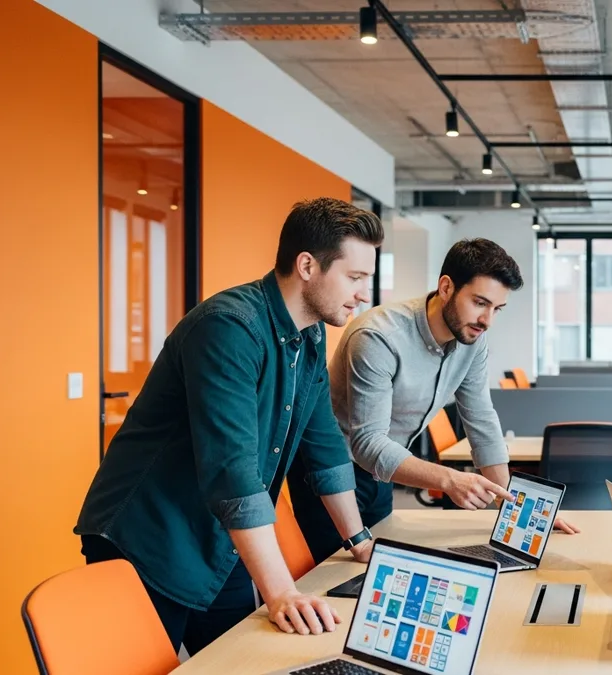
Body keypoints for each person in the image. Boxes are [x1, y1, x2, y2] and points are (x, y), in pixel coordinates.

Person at [74, 197, 384, 654]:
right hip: (149, 537)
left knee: (249, 656)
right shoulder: (229, 327)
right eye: (354, 277)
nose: (363, 293)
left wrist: (359, 540)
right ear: (307, 266)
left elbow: (325, 449)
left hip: (223, 536)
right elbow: (232, 471)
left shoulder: (310, 335)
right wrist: (281, 591)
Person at [288, 238, 578, 565]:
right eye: (479, 303)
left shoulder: (472, 341)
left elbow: (482, 422)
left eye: (497, 309)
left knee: (374, 571)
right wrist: (448, 479)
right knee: (332, 577)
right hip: (331, 473)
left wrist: (519, 511)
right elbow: (367, 443)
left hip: (386, 470)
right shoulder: (378, 336)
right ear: (446, 287)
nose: (487, 320)